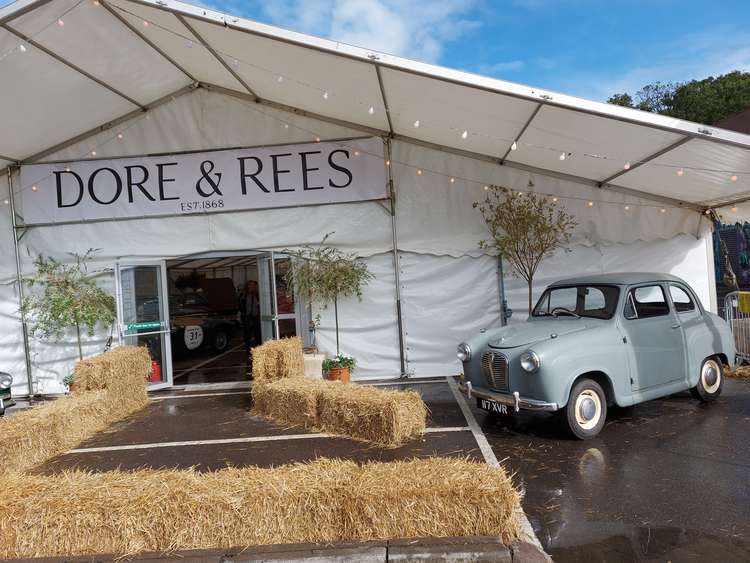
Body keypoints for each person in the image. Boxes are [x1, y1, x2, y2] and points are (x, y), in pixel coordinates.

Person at [243, 280, 261, 347]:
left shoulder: (257, 295)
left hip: (256, 316)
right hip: (247, 316)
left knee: (257, 333)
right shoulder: (244, 296)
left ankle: (258, 346)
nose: (252, 286)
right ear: (247, 286)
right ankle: (248, 348)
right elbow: (242, 305)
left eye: (253, 285)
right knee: (247, 334)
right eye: (250, 285)